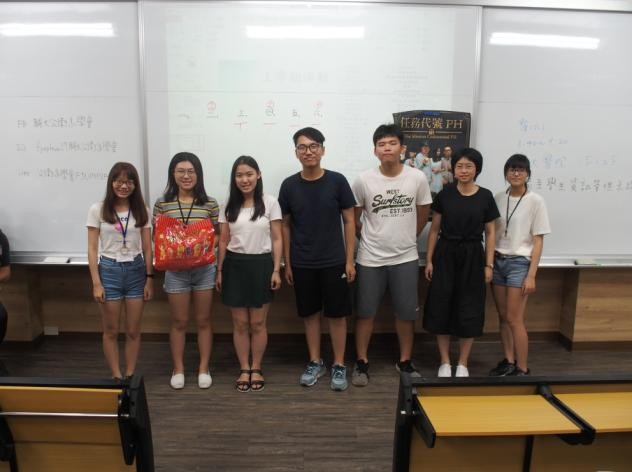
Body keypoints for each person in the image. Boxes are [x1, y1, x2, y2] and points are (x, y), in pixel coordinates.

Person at [351, 124, 432, 386]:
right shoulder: (363, 180)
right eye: (381, 144)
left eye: (392, 143)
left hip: (405, 257)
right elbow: (354, 219)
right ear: (375, 150)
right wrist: (369, 238)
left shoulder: (416, 178)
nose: (387, 148)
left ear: (402, 148)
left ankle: (405, 361)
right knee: (365, 313)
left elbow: (423, 213)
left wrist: (408, 237)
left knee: (406, 314)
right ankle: (361, 361)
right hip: (370, 258)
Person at [278, 127, 356, 391]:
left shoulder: (337, 181)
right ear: (296, 152)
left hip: (334, 261)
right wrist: (288, 263)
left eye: (313, 146)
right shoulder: (289, 185)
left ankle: (339, 364)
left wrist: (349, 260)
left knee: (337, 315)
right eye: (302, 147)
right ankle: (315, 361)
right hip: (302, 262)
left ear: (322, 149)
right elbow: (285, 226)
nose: (308, 151)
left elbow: (349, 221)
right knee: (310, 314)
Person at [423, 148, 499, 377]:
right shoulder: (444, 195)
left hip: (473, 255)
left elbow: (490, 233)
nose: (463, 170)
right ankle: (445, 362)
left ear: (477, 169)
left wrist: (489, 265)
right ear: (453, 169)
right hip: (445, 254)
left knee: (470, 306)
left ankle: (463, 363)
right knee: (441, 305)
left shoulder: (486, 196)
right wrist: (429, 260)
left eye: (469, 166)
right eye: (459, 166)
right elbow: (434, 230)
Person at [216, 156, 283, 392]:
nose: (244, 179)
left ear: (258, 175)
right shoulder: (228, 205)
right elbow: (223, 240)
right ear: (234, 179)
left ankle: (257, 367)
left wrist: (276, 269)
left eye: (249, 174)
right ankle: (244, 368)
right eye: (239, 175)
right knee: (240, 323)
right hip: (234, 265)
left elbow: (277, 238)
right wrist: (219, 270)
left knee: (258, 323)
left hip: (261, 265)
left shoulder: (270, 202)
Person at [153, 152, 219, 389]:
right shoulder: (162, 203)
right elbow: (157, 236)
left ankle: (203, 368)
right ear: (173, 174)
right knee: (179, 321)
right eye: (180, 171)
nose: (186, 176)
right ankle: (178, 368)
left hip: (204, 269)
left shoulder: (210, 203)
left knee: (203, 320)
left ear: (198, 174)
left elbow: (218, 235)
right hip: (175, 271)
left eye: (191, 171)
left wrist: (201, 245)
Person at [87, 162, 153, 380]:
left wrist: (149, 279)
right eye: (119, 181)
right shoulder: (97, 209)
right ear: (111, 182)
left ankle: (130, 374)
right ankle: (116, 376)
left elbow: (147, 248)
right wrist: (96, 283)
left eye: (129, 181)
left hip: (136, 270)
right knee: (111, 330)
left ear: (135, 184)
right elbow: (92, 248)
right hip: (109, 270)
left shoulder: (142, 209)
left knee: (133, 330)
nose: (124, 186)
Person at [489, 154, 550, 377]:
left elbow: (538, 240)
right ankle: (509, 361)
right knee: (503, 316)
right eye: (512, 169)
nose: (516, 173)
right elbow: (492, 232)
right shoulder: (498, 197)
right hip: (498, 261)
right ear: (506, 173)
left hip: (519, 263)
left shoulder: (536, 201)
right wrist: (489, 263)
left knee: (515, 319)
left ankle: (523, 368)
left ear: (528, 174)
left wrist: (531, 275)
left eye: (521, 170)